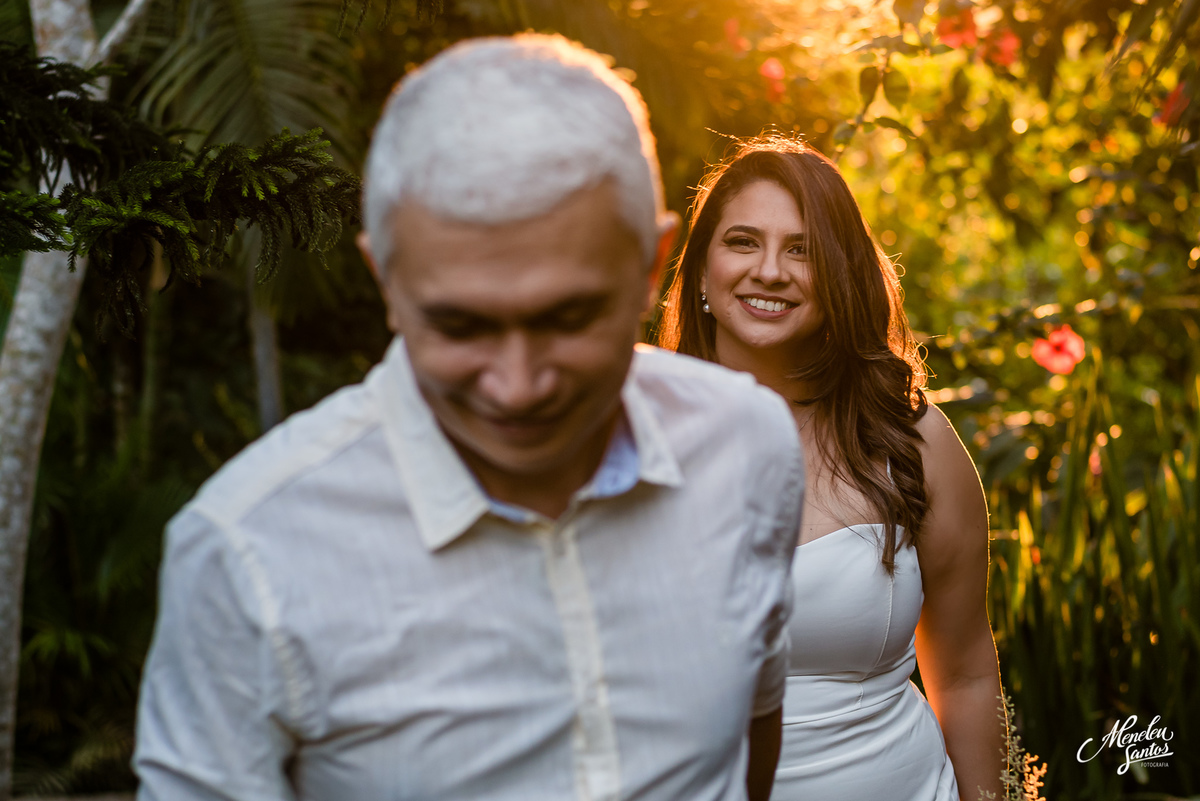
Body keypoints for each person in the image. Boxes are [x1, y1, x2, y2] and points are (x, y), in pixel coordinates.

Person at [133, 36, 805, 801]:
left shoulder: (748, 447)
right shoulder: (245, 552)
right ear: (386, 280)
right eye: (460, 326)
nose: (517, 386)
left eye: (569, 316)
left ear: (652, 269)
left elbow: (752, 732)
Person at [656, 136, 1005, 800]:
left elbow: (963, 673)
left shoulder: (911, 438)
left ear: (839, 276)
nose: (769, 270)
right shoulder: (632, 440)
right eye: (742, 242)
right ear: (700, 271)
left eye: (802, 249)